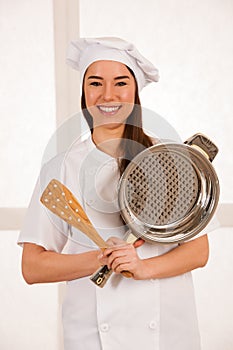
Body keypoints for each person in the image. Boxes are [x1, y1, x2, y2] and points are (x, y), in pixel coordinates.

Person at [18, 37, 210, 350]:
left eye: (121, 83)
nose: (108, 95)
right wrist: (99, 258)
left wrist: (142, 267)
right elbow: (32, 266)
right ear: (83, 92)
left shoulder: (170, 159)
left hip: (169, 335)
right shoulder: (60, 168)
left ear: (135, 91)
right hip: (91, 336)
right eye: (95, 83)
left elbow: (199, 251)